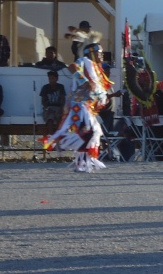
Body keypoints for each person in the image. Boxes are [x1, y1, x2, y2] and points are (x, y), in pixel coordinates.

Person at [45, 31, 113, 172]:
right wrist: (84, 81)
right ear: (92, 53)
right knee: (89, 131)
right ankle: (67, 149)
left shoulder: (96, 68)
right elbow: (72, 67)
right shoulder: (84, 61)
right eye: (99, 53)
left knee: (90, 133)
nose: (102, 55)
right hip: (80, 105)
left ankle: (83, 161)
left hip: (87, 106)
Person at [40, 70, 66, 135]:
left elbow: (63, 99)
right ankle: (51, 136)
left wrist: (61, 108)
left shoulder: (60, 87)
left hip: (58, 107)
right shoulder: (45, 87)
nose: (51, 80)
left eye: (52, 78)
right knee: (50, 118)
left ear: (57, 79)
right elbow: (43, 101)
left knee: (59, 118)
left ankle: (58, 135)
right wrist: (47, 108)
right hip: (49, 107)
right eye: (49, 78)